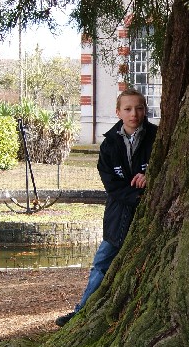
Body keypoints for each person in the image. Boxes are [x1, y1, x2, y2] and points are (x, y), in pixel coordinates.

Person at [55, 88, 157, 326]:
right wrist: (138, 195)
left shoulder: (157, 137)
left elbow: (169, 164)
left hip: (150, 217)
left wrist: (151, 174)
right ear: (118, 112)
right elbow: (112, 185)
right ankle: (80, 312)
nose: (135, 114)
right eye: (128, 109)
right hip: (118, 216)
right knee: (101, 264)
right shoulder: (109, 144)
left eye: (139, 108)